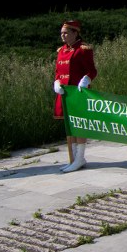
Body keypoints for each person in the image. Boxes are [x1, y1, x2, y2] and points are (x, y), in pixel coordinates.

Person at [54, 20, 97, 173]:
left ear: (75, 33)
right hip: (65, 93)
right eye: (61, 33)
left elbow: (92, 71)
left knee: (79, 125)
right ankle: (73, 159)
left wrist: (86, 79)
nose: (63, 36)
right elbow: (58, 72)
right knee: (70, 126)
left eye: (66, 33)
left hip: (78, 93)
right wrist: (56, 82)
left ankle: (80, 158)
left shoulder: (83, 50)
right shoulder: (61, 51)